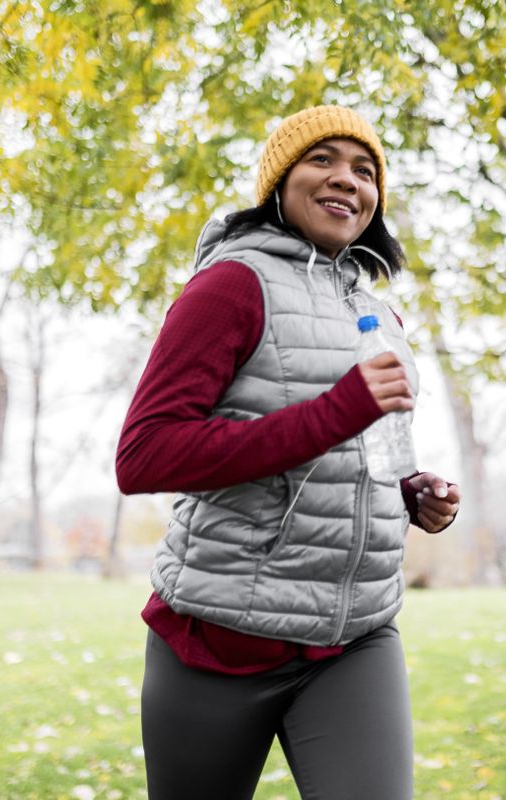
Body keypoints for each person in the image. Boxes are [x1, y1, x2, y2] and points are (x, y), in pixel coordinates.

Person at [115, 105, 462, 800]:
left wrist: (409, 492)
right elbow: (145, 456)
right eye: (323, 160)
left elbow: (354, 455)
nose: (347, 180)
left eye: (365, 171)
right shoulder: (231, 284)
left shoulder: (378, 311)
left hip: (355, 632)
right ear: (279, 180)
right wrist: (339, 410)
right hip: (220, 636)